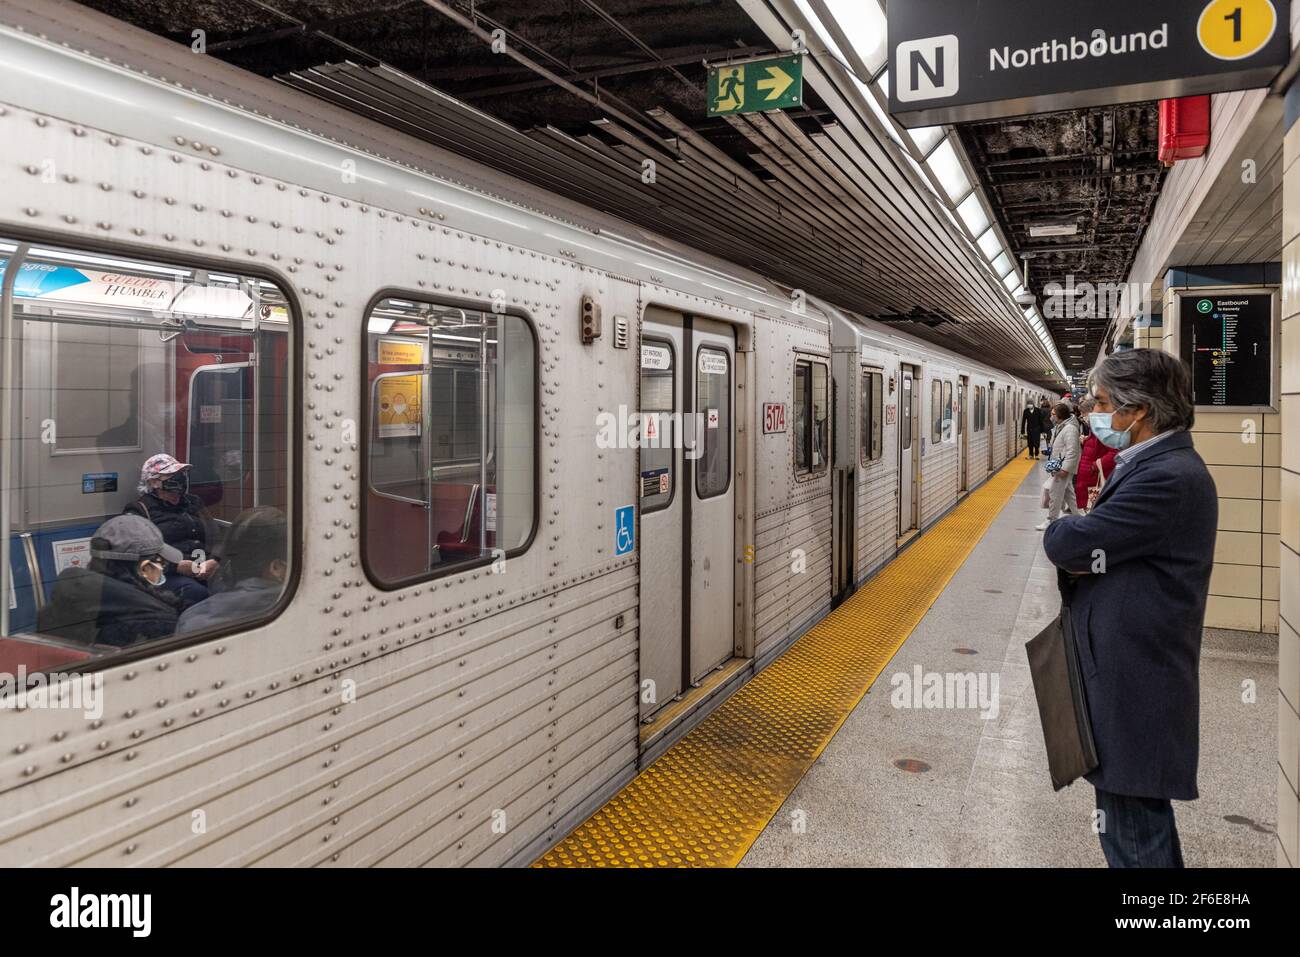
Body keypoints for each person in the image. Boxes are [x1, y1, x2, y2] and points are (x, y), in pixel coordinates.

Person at [1043, 350, 1216, 868]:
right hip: (1129, 674)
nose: (1095, 412)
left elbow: (1072, 543)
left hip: (1137, 682)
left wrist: (1065, 534)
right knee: (1132, 826)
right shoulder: (1159, 466)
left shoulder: (1168, 476)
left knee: (1136, 838)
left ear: (1137, 411)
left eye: (1101, 403)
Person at [38, 514, 181, 647]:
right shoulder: (157, 622)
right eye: (162, 564)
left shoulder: (54, 610)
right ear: (144, 569)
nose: (163, 570)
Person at [126, 453, 220, 609]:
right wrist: (175, 566)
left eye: (180, 474)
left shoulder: (193, 502)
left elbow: (216, 536)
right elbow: (136, 556)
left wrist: (216, 560)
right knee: (196, 593)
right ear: (154, 482)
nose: (180, 478)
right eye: (171, 475)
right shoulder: (139, 510)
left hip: (206, 567)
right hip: (167, 574)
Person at [176, 507, 288, 634]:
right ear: (276, 567)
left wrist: (216, 560)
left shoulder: (192, 620)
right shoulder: (296, 602)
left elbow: (215, 536)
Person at [1035, 402, 1081, 531]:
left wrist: (1065, 469)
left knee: (1055, 493)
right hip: (1058, 466)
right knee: (1069, 494)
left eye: (1053, 414)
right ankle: (1080, 517)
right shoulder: (1062, 427)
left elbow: (1073, 450)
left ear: (1060, 415)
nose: (1051, 416)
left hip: (1062, 468)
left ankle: (1051, 520)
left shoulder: (1069, 429)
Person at [1075, 397, 1117, 511]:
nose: (1083, 417)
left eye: (1084, 413)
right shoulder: (1094, 430)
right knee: (1089, 509)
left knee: (1093, 510)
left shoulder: (1103, 429)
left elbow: (1114, 452)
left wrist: (1095, 465)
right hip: (1089, 479)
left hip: (1094, 479)